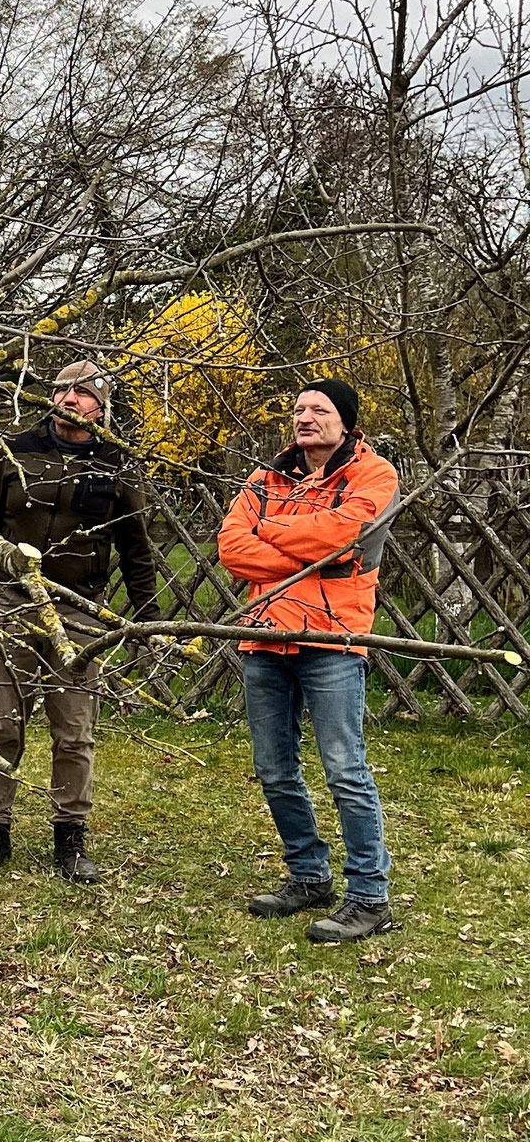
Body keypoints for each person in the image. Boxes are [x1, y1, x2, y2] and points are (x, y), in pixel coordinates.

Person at [0, 359, 160, 884]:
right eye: (64, 390)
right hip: (13, 603)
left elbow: (136, 547)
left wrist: (147, 619)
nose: (71, 399)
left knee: (73, 729)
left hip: (79, 609)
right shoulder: (16, 448)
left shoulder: (116, 463)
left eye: (84, 393)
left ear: (101, 405)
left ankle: (71, 838)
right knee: (2, 724)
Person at [217, 378, 400, 944]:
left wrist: (269, 533)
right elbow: (230, 548)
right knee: (275, 768)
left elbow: (343, 537)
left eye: (319, 410)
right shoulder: (265, 477)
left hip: (334, 638)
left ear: (345, 421)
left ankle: (370, 896)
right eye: (298, 409)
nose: (305, 418)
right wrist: (299, 545)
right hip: (265, 635)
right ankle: (308, 876)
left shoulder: (375, 475)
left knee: (345, 768)